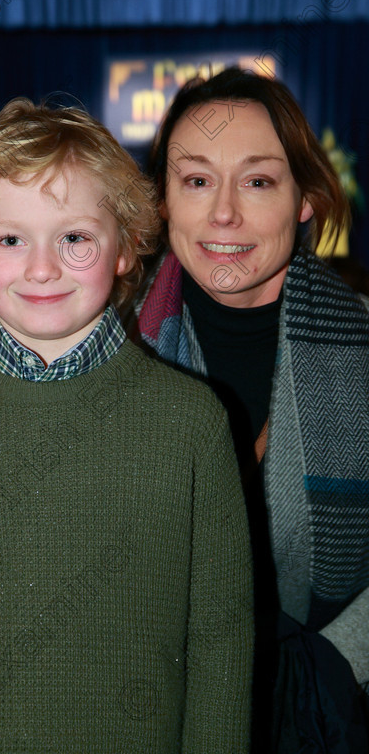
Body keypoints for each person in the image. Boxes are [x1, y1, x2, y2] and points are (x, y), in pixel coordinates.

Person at [0, 99, 253, 753]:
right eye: (10, 239)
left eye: (75, 238)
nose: (41, 267)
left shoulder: (192, 426)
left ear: (124, 247)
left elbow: (221, 651)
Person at [129, 67, 369, 751]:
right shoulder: (106, 355)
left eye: (258, 181)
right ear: (163, 202)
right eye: (197, 181)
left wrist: (331, 668)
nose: (224, 213)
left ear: (305, 200)